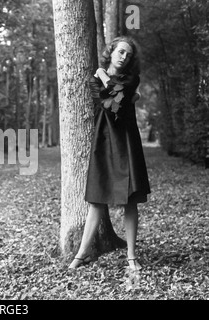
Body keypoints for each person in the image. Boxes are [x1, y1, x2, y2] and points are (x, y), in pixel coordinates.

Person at [68, 36, 151, 271]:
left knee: (131, 200)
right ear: (111, 52)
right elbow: (109, 105)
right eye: (121, 52)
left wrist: (105, 77)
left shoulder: (131, 78)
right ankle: (82, 253)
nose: (124, 57)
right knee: (97, 199)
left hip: (126, 140)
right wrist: (123, 97)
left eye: (128, 54)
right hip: (104, 139)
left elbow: (118, 100)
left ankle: (132, 257)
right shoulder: (95, 80)